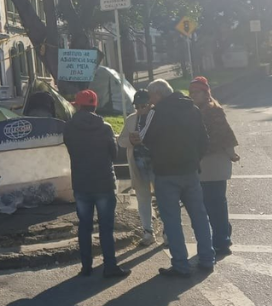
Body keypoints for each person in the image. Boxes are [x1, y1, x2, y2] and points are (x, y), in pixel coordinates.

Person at [139, 79, 214, 277]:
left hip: (165, 173)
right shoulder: (192, 108)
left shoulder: (156, 112)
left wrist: (142, 117)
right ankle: (207, 258)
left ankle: (181, 264)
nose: (150, 100)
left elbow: (144, 138)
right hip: (190, 171)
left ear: (157, 94)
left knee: (172, 220)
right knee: (199, 216)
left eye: (151, 95)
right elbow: (204, 140)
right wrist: (194, 160)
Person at [63, 89, 130, 278]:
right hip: (104, 182)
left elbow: (70, 149)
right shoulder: (106, 128)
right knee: (106, 227)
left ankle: (86, 266)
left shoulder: (69, 127)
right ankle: (110, 266)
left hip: (82, 183)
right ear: (95, 106)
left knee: (84, 226)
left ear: (78, 106)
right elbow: (114, 154)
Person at [189, 76, 239, 257]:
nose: (193, 95)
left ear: (206, 93)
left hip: (216, 163)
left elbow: (224, 135)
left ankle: (222, 241)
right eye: (191, 92)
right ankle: (223, 234)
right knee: (212, 204)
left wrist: (232, 154)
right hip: (204, 165)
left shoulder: (213, 111)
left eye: (197, 92)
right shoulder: (196, 110)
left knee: (215, 203)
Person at [118, 90, 156, 246]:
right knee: (142, 198)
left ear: (150, 104)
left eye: (143, 105)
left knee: (163, 199)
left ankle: (168, 232)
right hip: (138, 165)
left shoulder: (156, 117)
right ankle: (148, 232)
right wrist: (131, 141)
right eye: (137, 106)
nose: (140, 109)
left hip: (157, 164)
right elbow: (120, 141)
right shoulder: (131, 119)